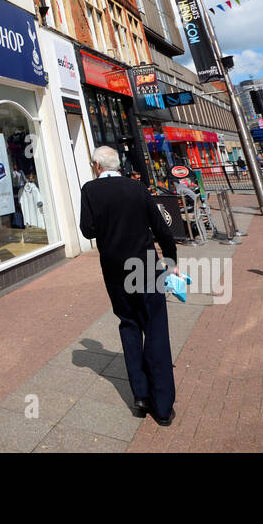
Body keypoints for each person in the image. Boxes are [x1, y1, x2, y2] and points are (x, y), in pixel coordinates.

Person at [79, 145, 179, 426]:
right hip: (146, 266)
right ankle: (162, 405)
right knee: (155, 328)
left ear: (97, 166)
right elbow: (160, 227)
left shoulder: (89, 190)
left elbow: (87, 230)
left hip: (114, 270)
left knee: (129, 325)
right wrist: (171, 260)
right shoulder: (136, 188)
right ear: (116, 165)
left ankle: (141, 396)